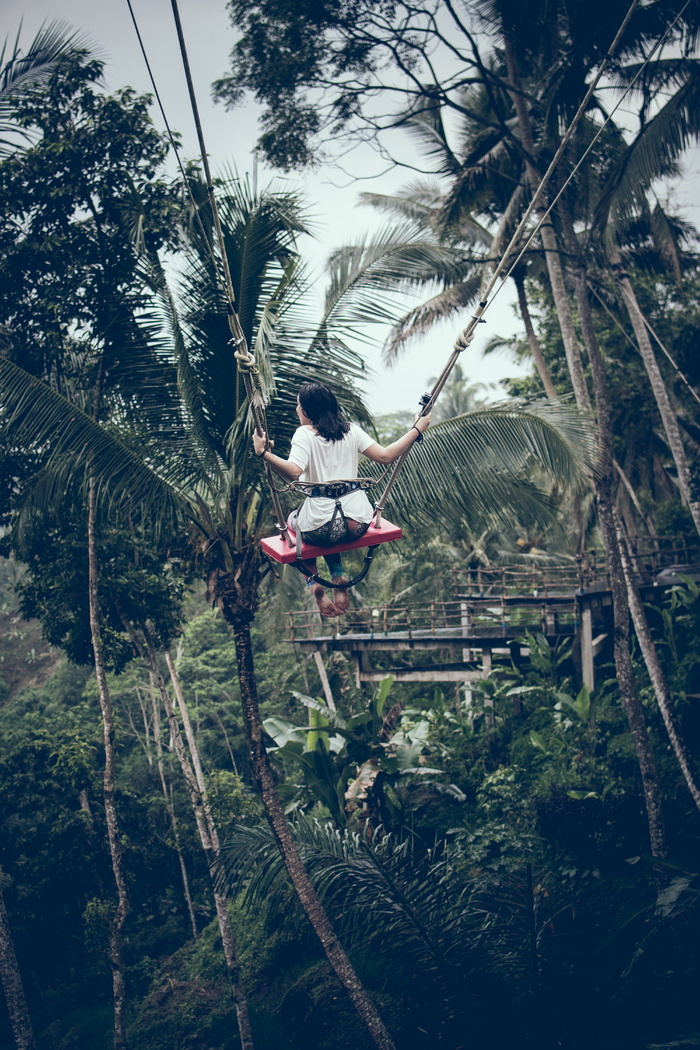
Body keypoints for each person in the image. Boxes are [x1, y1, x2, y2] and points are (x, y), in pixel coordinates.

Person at [252, 382, 430, 617]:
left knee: (297, 524)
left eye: (298, 405)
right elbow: (386, 456)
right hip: (357, 522)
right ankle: (337, 576)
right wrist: (417, 430)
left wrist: (264, 454)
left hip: (321, 524)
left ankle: (314, 584)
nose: (296, 410)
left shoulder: (304, 434)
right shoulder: (350, 430)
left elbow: (294, 472)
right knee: (329, 529)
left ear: (307, 410)